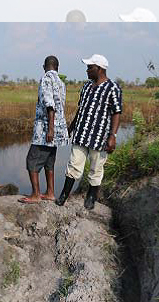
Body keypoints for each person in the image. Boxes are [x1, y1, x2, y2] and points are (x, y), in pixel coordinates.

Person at [56, 54, 122, 209]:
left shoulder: (113, 88)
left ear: (99, 69)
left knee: (96, 168)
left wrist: (113, 136)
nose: (87, 70)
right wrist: (70, 128)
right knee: (73, 165)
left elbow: (116, 113)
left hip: (100, 137)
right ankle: (64, 195)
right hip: (81, 134)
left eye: (89, 67)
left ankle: (91, 197)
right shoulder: (86, 86)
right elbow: (81, 109)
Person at [19, 56, 69, 203]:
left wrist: (50, 129)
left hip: (46, 129)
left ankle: (35, 195)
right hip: (57, 130)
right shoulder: (61, 82)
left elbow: (50, 104)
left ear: (44, 66)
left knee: (32, 160)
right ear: (57, 67)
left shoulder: (46, 78)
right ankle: (50, 192)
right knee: (49, 162)